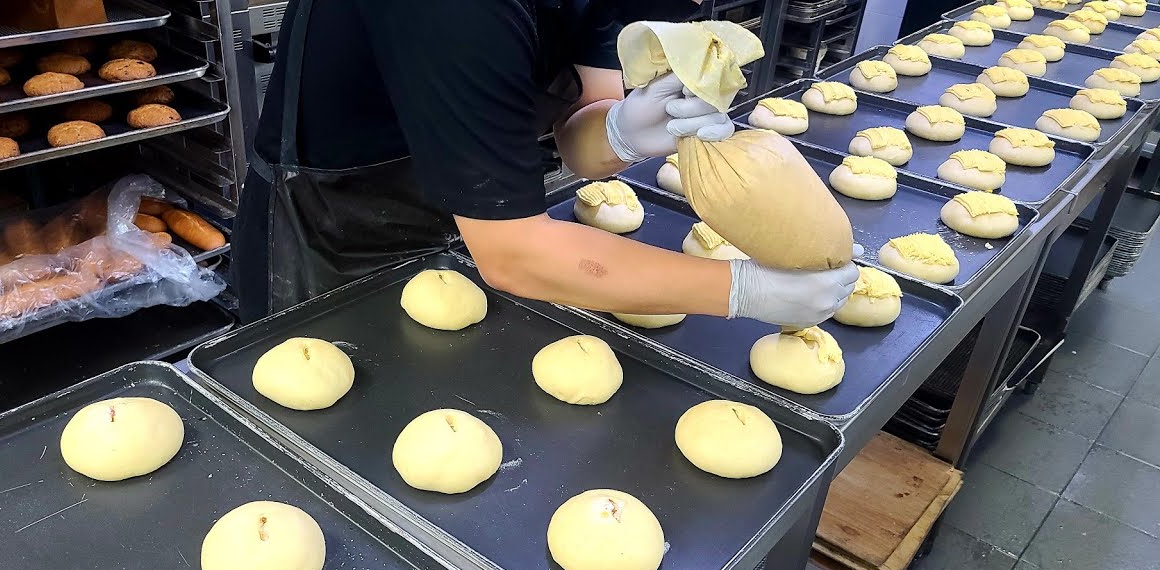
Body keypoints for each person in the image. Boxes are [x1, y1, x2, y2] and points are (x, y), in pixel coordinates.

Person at [234, 0, 859, 328]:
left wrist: (626, 128)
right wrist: (740, 289)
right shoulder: (453, 11)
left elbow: (579, 127)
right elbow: (514, 256)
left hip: (463, 207)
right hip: (333, 228)